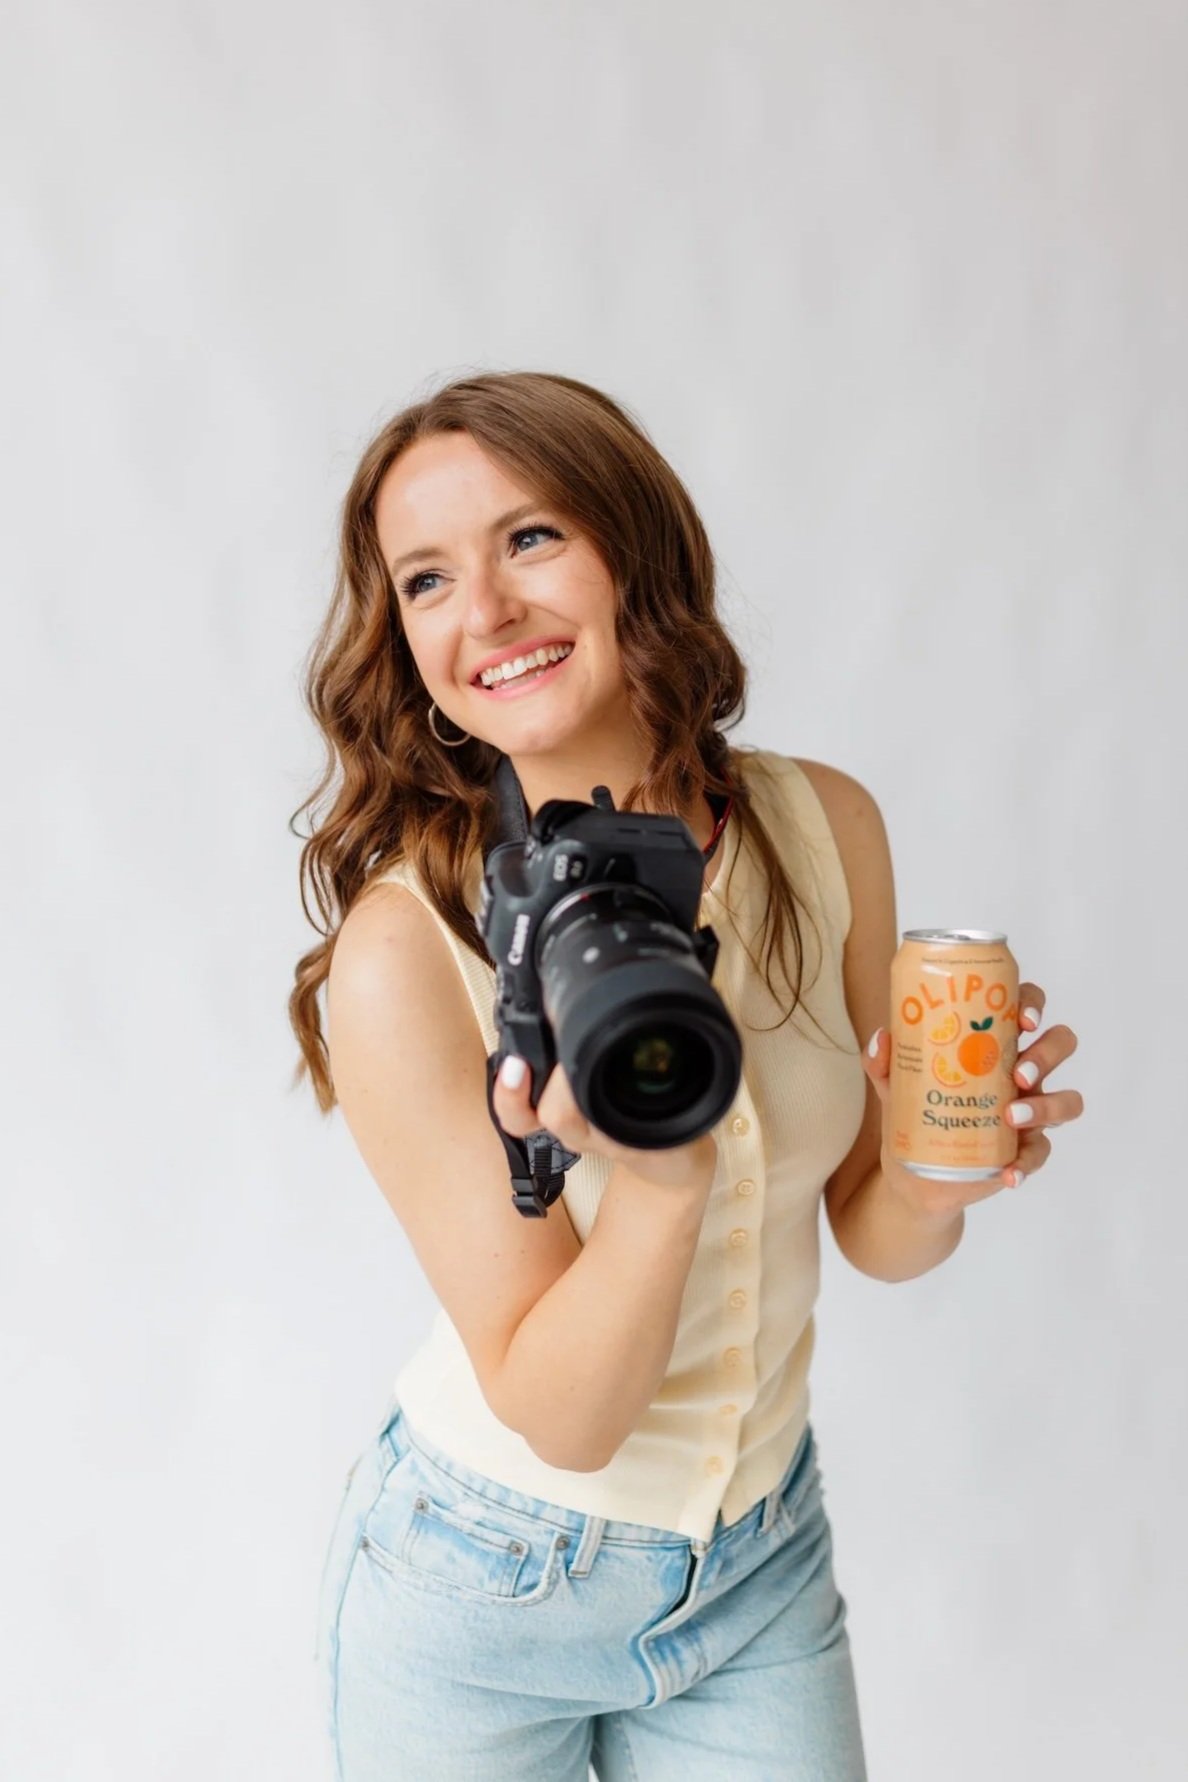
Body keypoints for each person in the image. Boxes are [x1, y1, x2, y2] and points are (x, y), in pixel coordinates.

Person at [289, 370, 1084, 1781]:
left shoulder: (821, 826)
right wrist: (662, 1182)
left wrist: (940, 1162)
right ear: (404, 640)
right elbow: (569, 1412)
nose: (485, 612)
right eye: (426, 580)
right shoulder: (408, 951)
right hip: (485, 1586)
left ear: (631, 549)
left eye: (530, 538)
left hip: (758, 1560)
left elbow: (868, 1227)